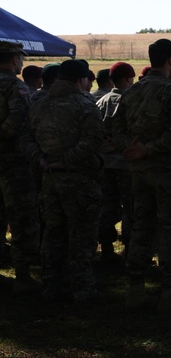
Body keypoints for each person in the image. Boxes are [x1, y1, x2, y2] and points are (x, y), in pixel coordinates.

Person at [110, 38, 171, 311]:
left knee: (142, 227)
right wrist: (149, 149)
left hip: (139, 172)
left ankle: (135, 288)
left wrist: (132, 149)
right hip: (169, 172)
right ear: (170, 61)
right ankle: (169, 291)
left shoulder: (132, 92)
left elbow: (115, 128)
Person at [24, 59, 105, 302]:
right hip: (80, 180)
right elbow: (92, 142)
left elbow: (25, 138)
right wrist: (67, 161)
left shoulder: (39, 104)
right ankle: (82, 290)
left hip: (49, 179)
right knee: (81, 237)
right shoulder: (85, 105)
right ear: (81, 80)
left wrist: (41, 159)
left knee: (53, 234)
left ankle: (51, 286)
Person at [0, 41, 41, 294]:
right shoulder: (16, 86)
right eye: (20, 59)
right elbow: (19, 121)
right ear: (15, 60)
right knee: (22, 218)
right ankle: (23, 276)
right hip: (13, 161)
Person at [95, 62, 136, 263]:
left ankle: (107, 250)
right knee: (131, 208)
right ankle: (129, 250)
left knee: (106, 206)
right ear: (129, 79)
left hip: (105, 165)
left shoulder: (102, 101)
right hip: (127, 164)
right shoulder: (134, 101)